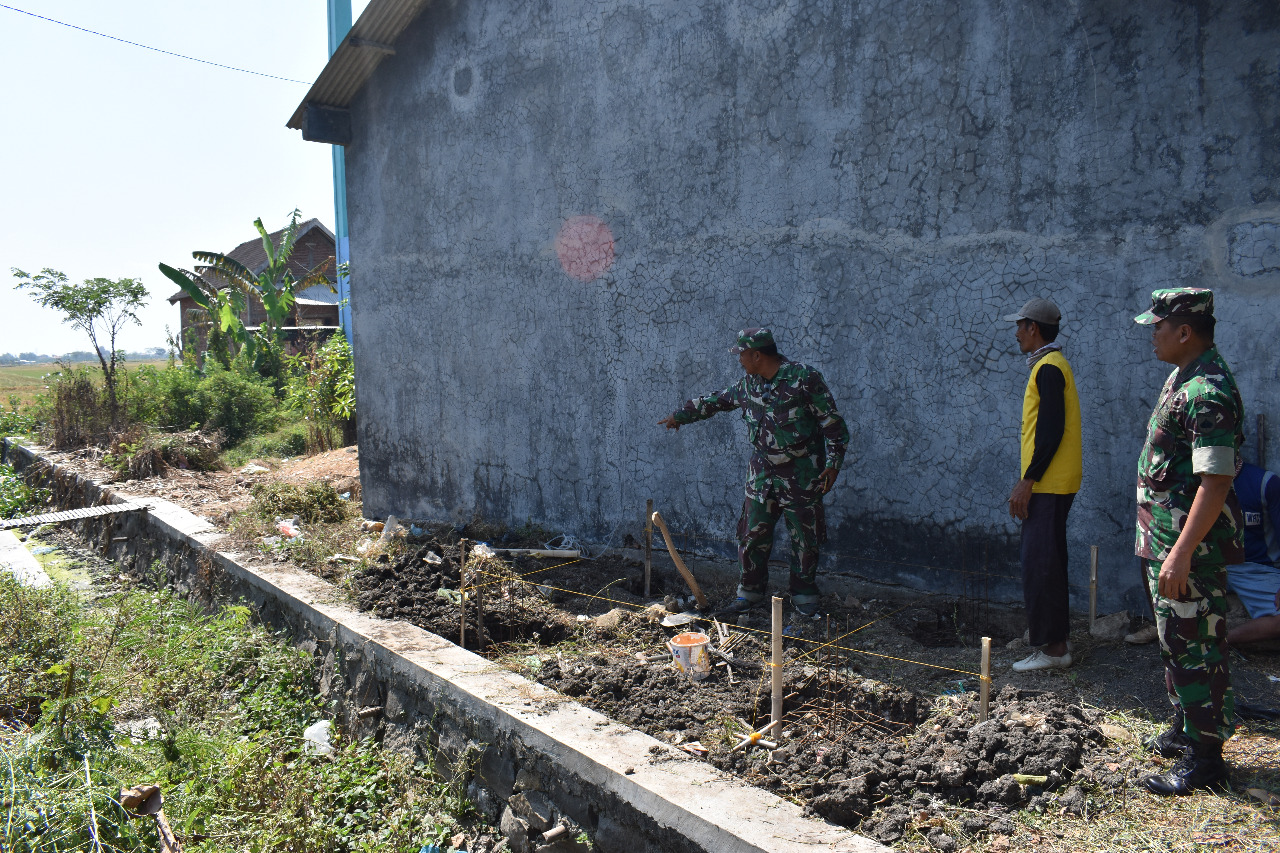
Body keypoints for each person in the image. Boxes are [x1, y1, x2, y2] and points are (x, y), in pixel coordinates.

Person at [1133, 287, 1244, 796]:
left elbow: (1215, 483)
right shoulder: (1183, 377)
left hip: (1189, 550)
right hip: (1164, 540)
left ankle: (1206, 761)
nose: (1151, 335)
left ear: (1184, 331)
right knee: (1175, 641)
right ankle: (1184, 727)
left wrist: (1178, 556)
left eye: (1157, 326)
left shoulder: (1208, 393)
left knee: (1196, 647)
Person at [658, 328, 849, 618]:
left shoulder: (803, 379)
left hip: (801, 473)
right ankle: (750, 592)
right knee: (751, 535)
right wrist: (679, 416)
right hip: (761, 474)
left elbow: (832, 424)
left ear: (757, 355)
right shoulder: (750, 384)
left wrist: (833, 464)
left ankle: (804, 596)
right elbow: (717, 401)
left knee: (805, 537)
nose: (739, 360)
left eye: (742, 355)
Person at [1002, 298, 1082, 672]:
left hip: (1048, 484)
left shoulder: (1049, 368)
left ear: (1034, 328)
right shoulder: (1049, 365)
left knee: (1041, 563)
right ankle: (1054, 644)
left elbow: (1050, 432)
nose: (1016, 333)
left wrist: (1027, 481)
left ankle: (1053, 651)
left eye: (1020, 326)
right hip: (1053, 482)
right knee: (1045, 560)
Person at [1226, 461, 1280, 646]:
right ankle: (1158, 627)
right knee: (1149, 552)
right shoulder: (1187, 482)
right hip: (1202, 562)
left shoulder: (1264, 482)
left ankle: (1218, 643)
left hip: (1254, 569)